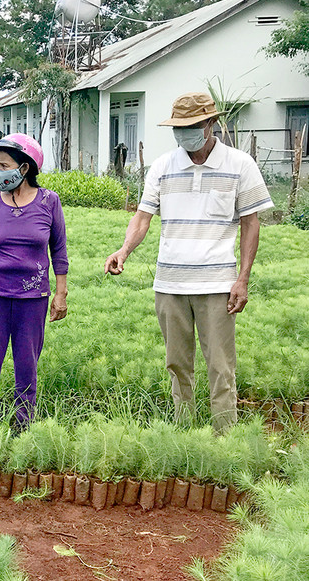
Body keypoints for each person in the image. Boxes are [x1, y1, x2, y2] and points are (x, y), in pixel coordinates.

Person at [104, 92, 273, 433]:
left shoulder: (240, 165)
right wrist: (123, 251)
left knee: (221, 366)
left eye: (193, 125)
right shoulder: (164, 166)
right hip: (170, 284)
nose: (184, 134)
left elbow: (250, 224)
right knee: (177, 364)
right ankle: (185, 434)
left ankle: (225, 436)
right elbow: (142, 218)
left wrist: (242, 279)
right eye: (178, 127)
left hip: (216, 286)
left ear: (211, 124)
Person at [0, 134, 69, 427]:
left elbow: (58, 249)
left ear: (24, 169)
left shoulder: (49, 202)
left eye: (4, 165)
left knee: (27, 366)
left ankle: (24, 426)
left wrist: (61, 294)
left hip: (31, 300)